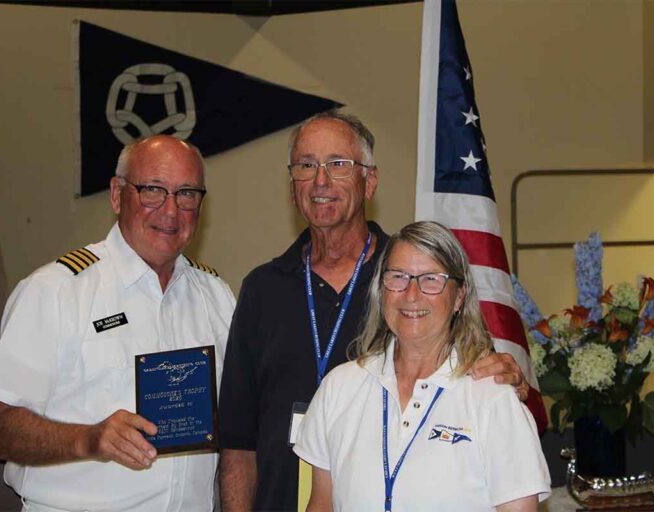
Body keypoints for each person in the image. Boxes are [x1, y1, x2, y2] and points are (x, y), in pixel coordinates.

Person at [218, 111, 529, 512]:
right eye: (306, 166)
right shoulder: (262, 288)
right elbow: (238, 444)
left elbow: (477, 365)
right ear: (292, 183)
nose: (321, 180)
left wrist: (508, 376)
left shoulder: (412, 285)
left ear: (371, 181)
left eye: (338, 165)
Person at [0, 135, 236, 512]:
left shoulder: (216, 296)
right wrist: (91, 439)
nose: (170, 210)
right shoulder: (56, 291)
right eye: (152, 190)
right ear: (117, 195)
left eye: (186, 194)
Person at [294, 221, 550, 511]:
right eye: (399, 277)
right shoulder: (338, 388)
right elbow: (321, 504)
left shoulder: (493, 399)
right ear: (382, 289)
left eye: (431, 279)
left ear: (459, 296)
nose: (411, 295)